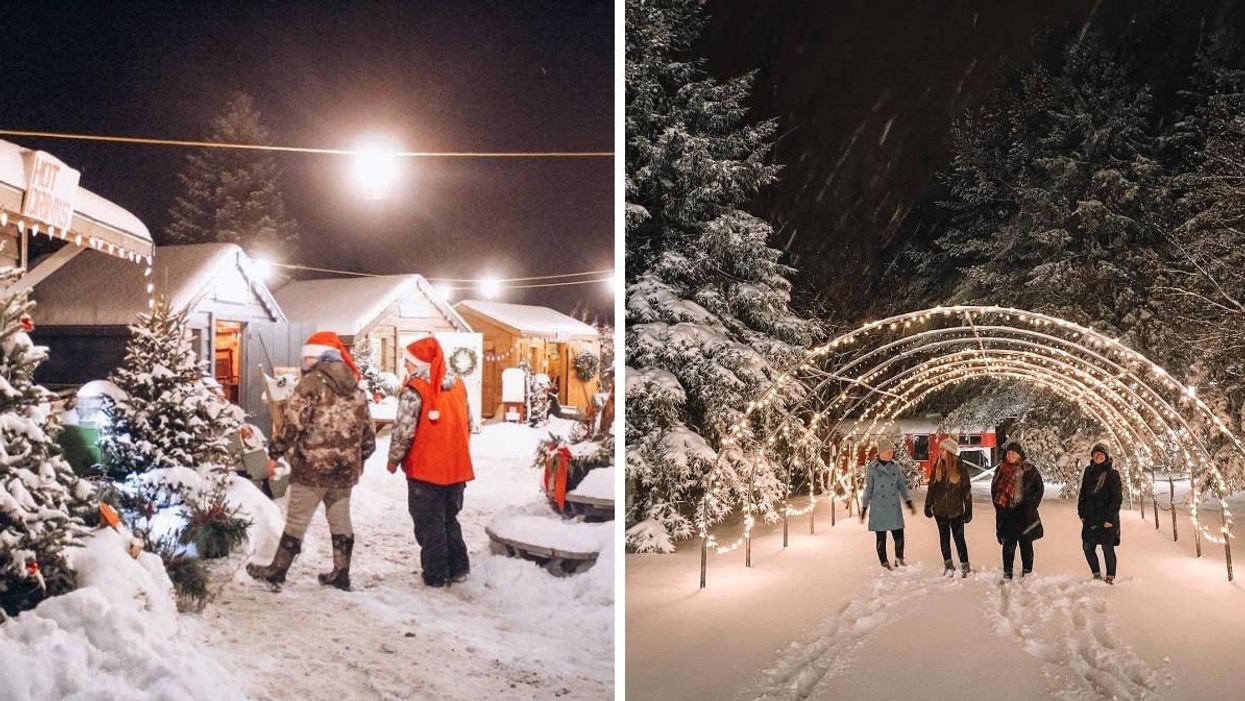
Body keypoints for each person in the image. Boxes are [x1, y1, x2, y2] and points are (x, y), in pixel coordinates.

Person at [247, 331, 375, 592]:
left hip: (312, 469)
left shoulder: (311, 384)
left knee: (297, 520)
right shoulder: (355, 385)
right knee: (340, 520)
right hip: (344, 471)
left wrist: (274, 454)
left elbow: (291, 424)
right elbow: (368, 434)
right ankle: (341, 573)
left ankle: (277, 571)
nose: (303, 362)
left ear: (314, 357)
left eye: (305, 357)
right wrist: (356, 459)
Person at [387, 337, 475, 587]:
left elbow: (404, 429)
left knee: (429, 521)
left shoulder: (415, 389)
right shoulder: (458, 384)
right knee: (449, 518)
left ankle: (436, 574)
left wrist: (394, 459)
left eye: (406, 361)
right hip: (456, 467)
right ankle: (459, 567)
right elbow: (469, 422)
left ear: (418, 363)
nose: (405, 366)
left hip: (426, 468)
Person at [991, 441, 1044, 581]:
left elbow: (1040, 487)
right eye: (1008, 453)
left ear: (1019, 455)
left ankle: (1027, 572)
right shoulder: (1000, 470)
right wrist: (999, 506)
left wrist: (1033, 504)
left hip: (1025, 512)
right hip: (1007, 512)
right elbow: (994, 489)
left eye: (1013, 453)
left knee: (1026, 543)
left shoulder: (1029, 469)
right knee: (1008, 543)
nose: (1010, 456)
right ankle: (1007, 572)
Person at [860, 436, 915, 570]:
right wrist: (864, 507)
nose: (891, 454)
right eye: (888, 452)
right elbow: (869, 489)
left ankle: (899, 559)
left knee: (899, 534)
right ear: (881, 452)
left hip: (893, 506)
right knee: (881, 537)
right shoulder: (872, 468)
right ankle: (884, 562)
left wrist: (908, 501)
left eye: (892, 452)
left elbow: (901, 485)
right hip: (879, 507)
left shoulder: (895, 467)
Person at [924, 437, 972, 577]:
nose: (940, 452)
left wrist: (968, 510)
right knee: (944, 538)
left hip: (956, 510)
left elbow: (966, 491)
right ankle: (948, 564)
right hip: (940, 511)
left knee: (959, 539)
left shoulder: (960, 468)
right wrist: (928, 504)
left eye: (943, 449)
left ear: (950, 452)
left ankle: (965, 565)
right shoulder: (938, 466)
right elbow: (931, 488)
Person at [1078, 442, 1122, 584]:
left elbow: (1117, 498)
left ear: (1106, 456)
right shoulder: (1088, 471)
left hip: (1106, 518)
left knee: (1107, 547)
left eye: (1101, 454)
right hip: (1090, 516)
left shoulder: (1112, 474)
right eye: (1095, 453)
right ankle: (1096, 574)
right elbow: (1083, 493)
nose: (1098, 456)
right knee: (1087, 546)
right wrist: (1082, 513)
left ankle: (1110, 576)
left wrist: (1110, 518)